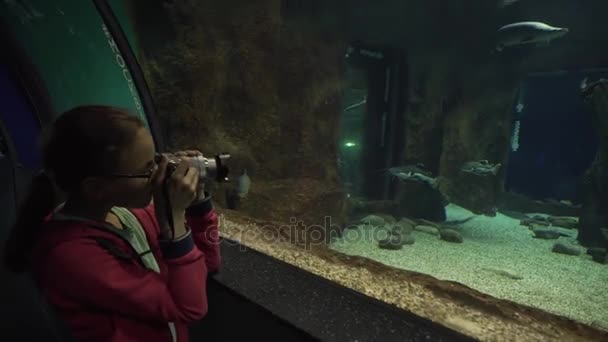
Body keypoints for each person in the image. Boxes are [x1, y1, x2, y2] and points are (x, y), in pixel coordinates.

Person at [3, 105, 221, 342]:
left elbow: (208, 264)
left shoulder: (134, 215)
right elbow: (190, 307)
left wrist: (198, 202)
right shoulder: (71, 255)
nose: (159, 173)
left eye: (157, 159)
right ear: (96, 188)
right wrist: (173, 220)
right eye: (147, 168)